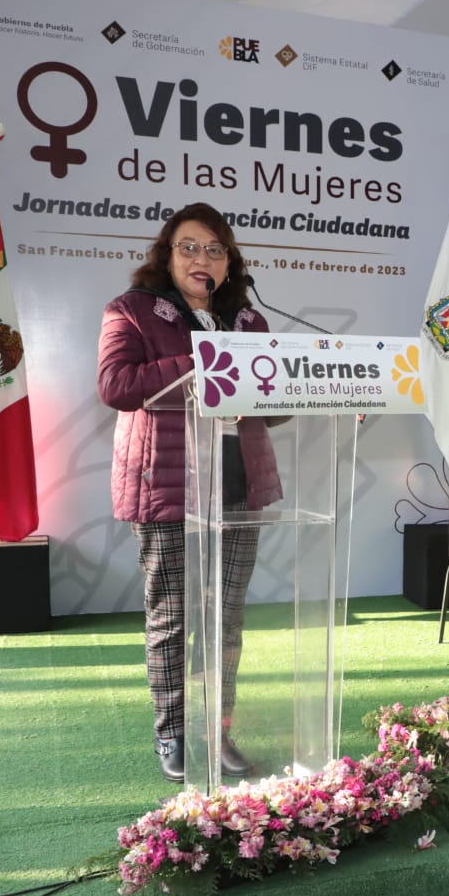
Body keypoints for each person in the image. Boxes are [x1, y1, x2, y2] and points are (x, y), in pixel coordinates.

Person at [96, 203, 283, 783]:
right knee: (173, 617)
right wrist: (204, 362)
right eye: (190, 247)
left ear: (230, 263)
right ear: (167, 255)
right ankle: (173, 733)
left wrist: (303, 391)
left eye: (215, 249)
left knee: (226, 619)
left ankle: (216, 730)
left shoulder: (248, 321)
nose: (203, 259)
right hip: (168, 483)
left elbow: (270, 404)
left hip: (238, 481)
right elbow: (116, 385)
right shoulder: (131, 310)